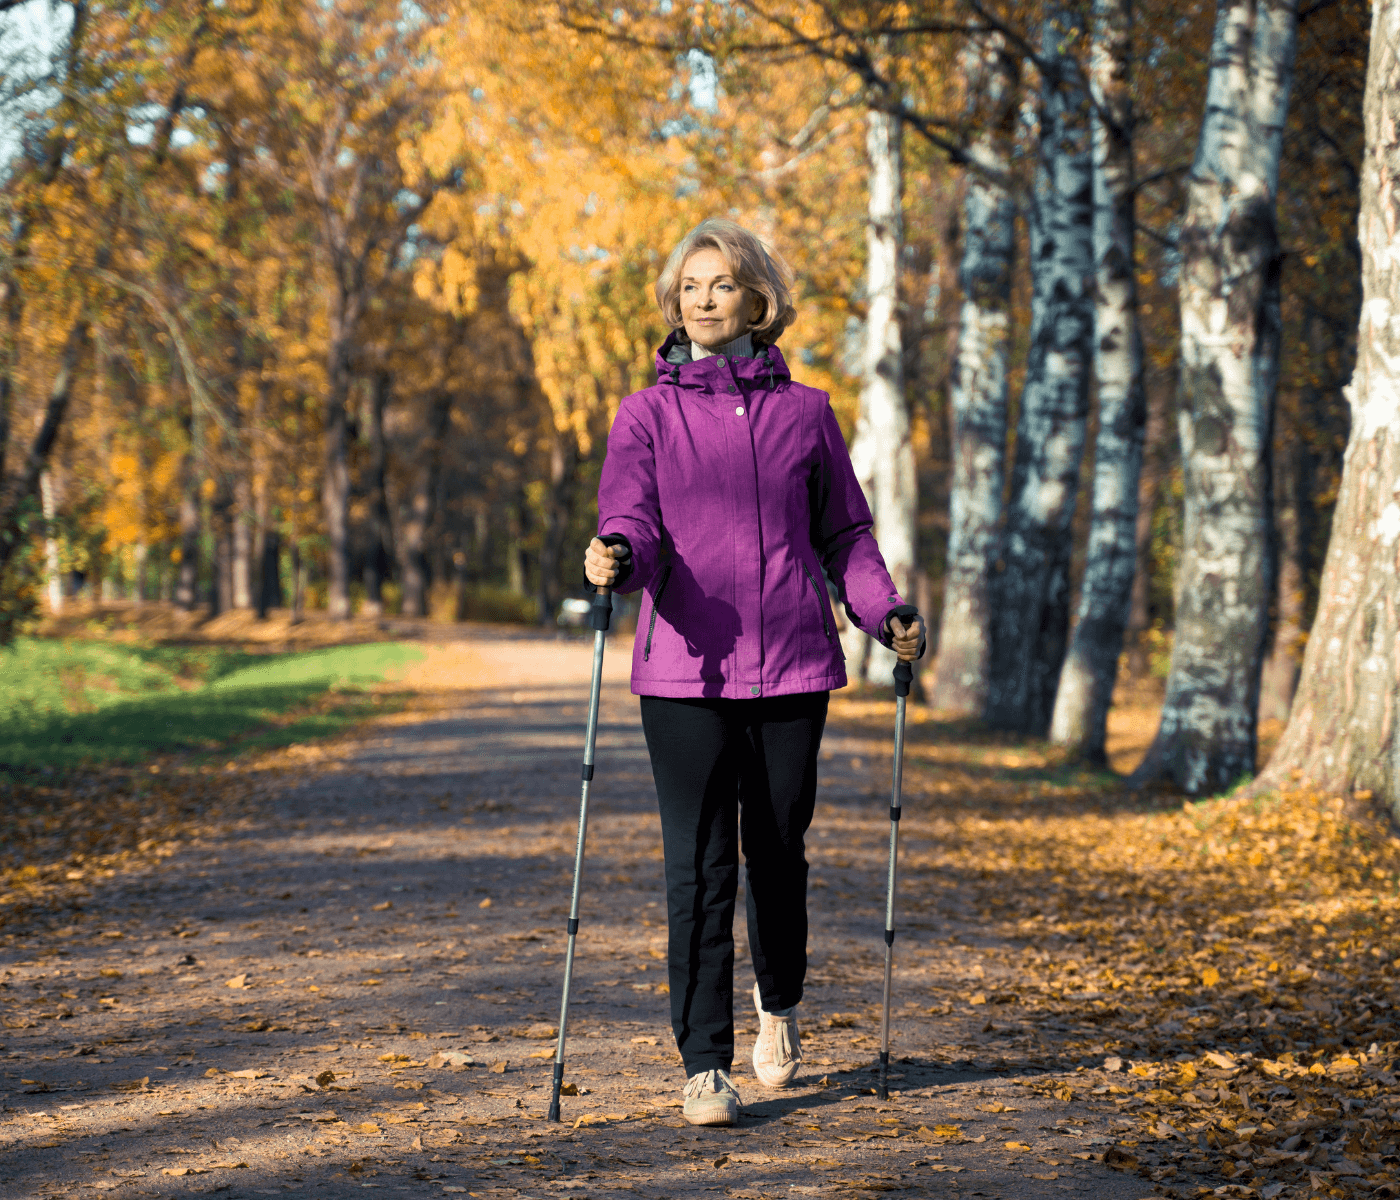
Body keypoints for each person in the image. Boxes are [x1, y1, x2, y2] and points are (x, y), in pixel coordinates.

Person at [583, 217, 923, 1127]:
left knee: (776, 851)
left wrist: (881, 608)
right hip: (684, 671)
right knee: (695, 870)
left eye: (720, 285)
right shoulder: (646, 414)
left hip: (793, 669)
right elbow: (634, 516)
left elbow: (844, 533)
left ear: (756, 300)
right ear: (673, 303)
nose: (701, 300)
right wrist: (617, 549)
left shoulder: (805, 413)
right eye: (688, 286)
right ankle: (703, 1063)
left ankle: (781, 1002)